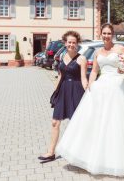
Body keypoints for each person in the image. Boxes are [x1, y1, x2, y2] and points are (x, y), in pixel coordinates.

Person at [56, 23, 124, 176]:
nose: (106, 36)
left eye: (108, 33)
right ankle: (95, 157)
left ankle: (118, 160)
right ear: (101, 34)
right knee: (98, 122)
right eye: (104, 33)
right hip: (101, 87)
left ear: (112, 34)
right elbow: (94, 70)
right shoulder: (98, 52)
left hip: (117, 86)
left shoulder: (119, 48)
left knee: (117, 122)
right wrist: (90, 85)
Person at [38, 31, 88, 161]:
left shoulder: (81, 59)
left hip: (76, 91)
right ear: (65, 43)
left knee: (75, 123)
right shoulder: (62, 56)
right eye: (69, 42)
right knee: (55, 122)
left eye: (74, 42)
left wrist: (88, 93)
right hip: (63, 90)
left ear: (77, 44)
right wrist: (55, 92)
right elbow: (60, 75)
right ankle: (51, 152)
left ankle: (79, 152)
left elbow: (83, 78)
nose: (71, 44)